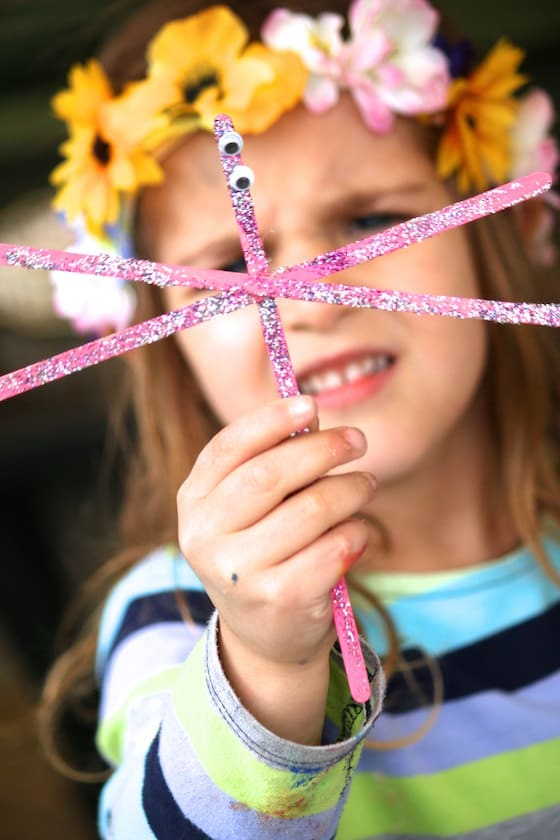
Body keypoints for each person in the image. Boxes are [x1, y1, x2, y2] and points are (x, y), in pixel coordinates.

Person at [40, 0, 560, 837]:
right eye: (224, 270)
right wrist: (265, 662)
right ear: (168, 345)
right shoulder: (178, 618)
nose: (309, 298)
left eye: (370, 219)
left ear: (494, 231)